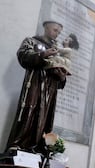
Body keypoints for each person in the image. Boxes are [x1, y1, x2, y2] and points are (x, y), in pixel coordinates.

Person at [5, 20, 67, 154]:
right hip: (34, 84)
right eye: (55, 30)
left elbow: (61, 74)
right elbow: (22, 55)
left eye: (59, 32)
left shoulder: (58, 50)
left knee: (45, 117)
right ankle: (19, 145)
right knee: (30, 112)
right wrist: (43, 54)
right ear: (46, 27)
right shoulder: (32, 41)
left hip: (50, 90)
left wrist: (62, 77)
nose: (57, 34)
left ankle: (38, 148)